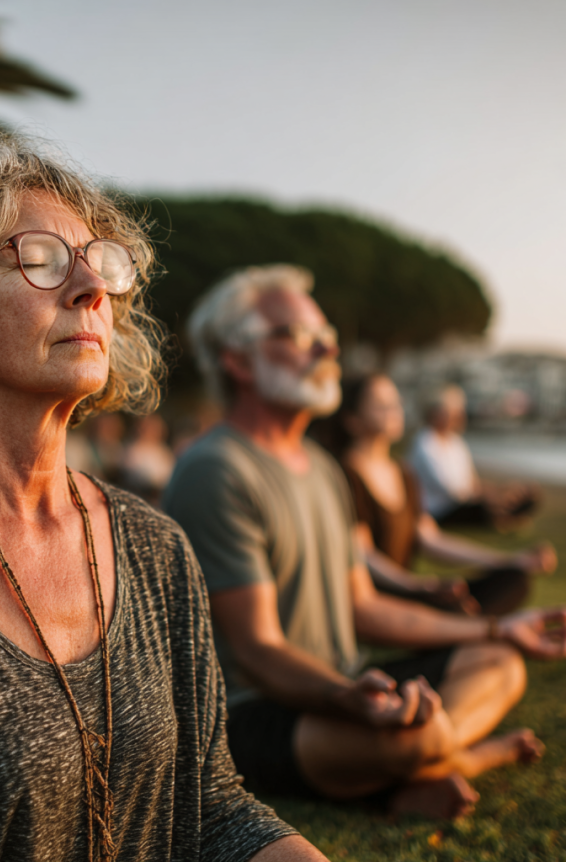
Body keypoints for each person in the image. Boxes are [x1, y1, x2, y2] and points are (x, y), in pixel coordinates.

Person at [0, 128, 323, 862]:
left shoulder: (156, 549)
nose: (90, 288)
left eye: (100, 263)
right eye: (37, 261)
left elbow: (210, 808)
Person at [163, 264, 566, 819]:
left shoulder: (324, 468)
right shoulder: (216, 469)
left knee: (500, 662)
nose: (327, 348)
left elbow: (364, 606)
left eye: (326, 335)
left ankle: (414, 766)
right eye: (302, 336)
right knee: (417, 735)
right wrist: (346, 700)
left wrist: (496, 627)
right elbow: (256, 652)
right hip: (255, 712)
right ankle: (457, 759)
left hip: (347, 683)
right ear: (237, 359)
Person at [335, 373, 556, 616]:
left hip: (410, 589)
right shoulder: (344, 475)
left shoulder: (403, 474)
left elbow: (431, 539)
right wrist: (416, 585)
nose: (394, 410)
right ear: (352, 420)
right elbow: (361, 554)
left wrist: (506, 561)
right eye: (381, 405)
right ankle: (462, 625)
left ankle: (460, 623)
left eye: (395, 403)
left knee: (513, 579)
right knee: (461, 600)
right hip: (378, 595)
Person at [410, 384, 539, 528]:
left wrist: (500, 490)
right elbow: (453, 491)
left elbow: (470, 482)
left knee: (502, 500)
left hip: (459, 503)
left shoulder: (455, 442)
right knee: (485, 507)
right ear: (436, 413)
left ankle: (506, 512)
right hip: (438, 510)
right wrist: (492, 496)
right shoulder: (425, 443)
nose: (461, 415)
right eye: (455, 411)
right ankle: (504, 515)